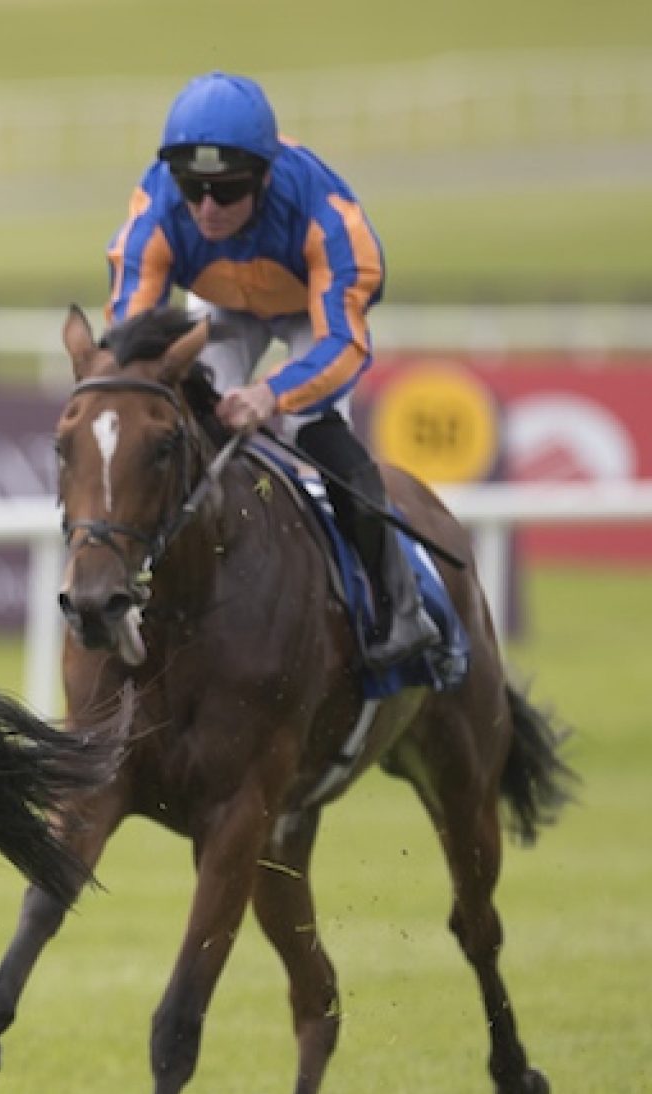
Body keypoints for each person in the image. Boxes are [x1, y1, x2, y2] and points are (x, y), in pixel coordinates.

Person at [105, 71, 440, 672]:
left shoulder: (329, 214)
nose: (206, 208)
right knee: (189, 427)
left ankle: (400, 604)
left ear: (264, 174)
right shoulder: (154, 205)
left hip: (311, 317)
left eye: (228, 191)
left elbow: (342, 343)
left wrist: (271, 394)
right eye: (192, 188)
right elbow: (130, 329)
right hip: (222, 310)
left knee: (314, 426)